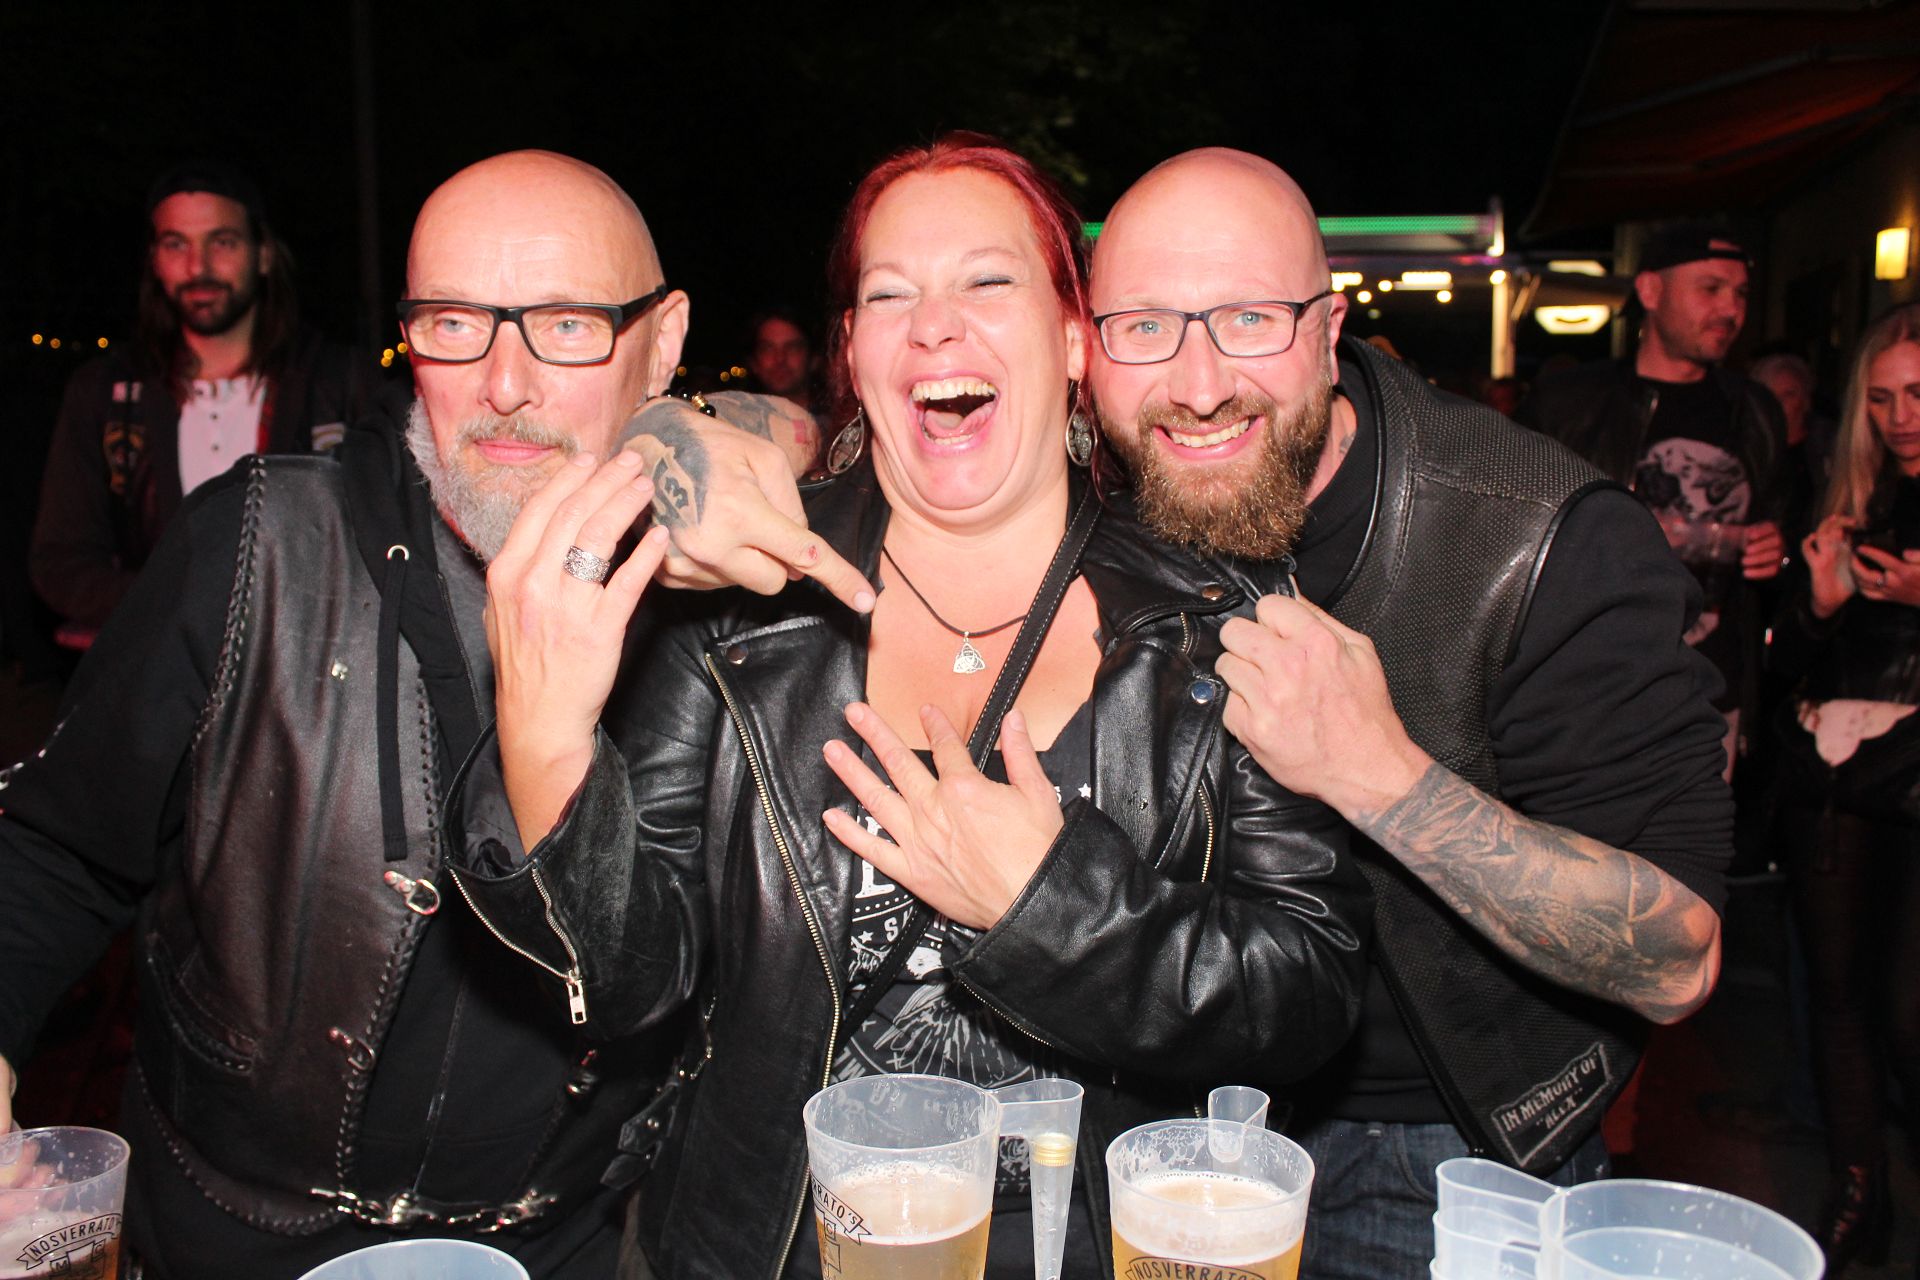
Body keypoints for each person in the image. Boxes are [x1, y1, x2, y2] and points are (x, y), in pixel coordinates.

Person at [645, 147, 1734, 1280]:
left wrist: (1379, 776)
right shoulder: (1128, 492)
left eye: (1252, 319)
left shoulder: (1539, 537)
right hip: (1164, 1138)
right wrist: (680, 439)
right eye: (1148, 327)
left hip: (1437, 1131)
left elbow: (1678, 962)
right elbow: (833, 432)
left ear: (1331, 329)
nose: (1200, 383)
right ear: (1089, 343)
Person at [450, 134, 1371, 1280]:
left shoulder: (1214, 617)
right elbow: (633, 982)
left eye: (986, 280)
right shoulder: (736, 608)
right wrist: (543, 735)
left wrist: (1051, 907)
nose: (935, 326)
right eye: (890, 294)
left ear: (1072, 338)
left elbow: (1307, 989)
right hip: (770, 1245)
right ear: (852, 349)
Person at [0, 150, 802, 1278]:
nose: (505, 383)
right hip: (237, 1236)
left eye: (566, 325)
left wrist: (742, 426)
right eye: (455, 323)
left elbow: (870, 444)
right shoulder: (257, 550)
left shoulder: (732, 603)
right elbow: (55, 846)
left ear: (661, 342)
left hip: (566, 1242)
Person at [30, 161, 372, 634]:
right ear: (154, 259)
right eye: (176, 244)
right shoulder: (106, 394)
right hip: (158, 667)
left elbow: (391, 543)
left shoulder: (339, 382)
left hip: (310, 659)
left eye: (222, 242)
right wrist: (178, 609)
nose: (198, 267)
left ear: (264, 255)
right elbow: (61, 563)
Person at [1521, 225, 1788, 779]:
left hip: (1709, 697)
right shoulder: (1570, 404)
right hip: (1591, 695)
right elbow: (1512, 532)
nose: (1730, 309)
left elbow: (1790, 533)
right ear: (1650, 290)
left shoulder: (1756, 410)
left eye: (1740, 294)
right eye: (1710, 289)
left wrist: (1778, 552)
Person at [1769, 303, 1920, 1277]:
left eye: (1917, 395)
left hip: (1911, 783)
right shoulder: (1856, 502)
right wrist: (1820, 605)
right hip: (1834, 774)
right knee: (1836, 997)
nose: (1899, 417)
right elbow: (1789, 658)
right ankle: (1858, 1192)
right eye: (1881, 398)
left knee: (1905, 1010)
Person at [744, 304, 821, 411]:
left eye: (792, 348)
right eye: (768, 349)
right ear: (753, 363)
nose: (780, 359)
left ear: (814, 360)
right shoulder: (734, 417)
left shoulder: (838, 419)